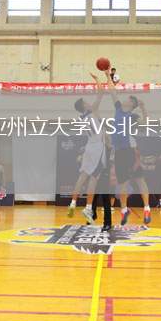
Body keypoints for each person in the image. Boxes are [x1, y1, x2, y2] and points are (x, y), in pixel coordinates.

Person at [105, 68, 151, 226]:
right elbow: (112, 91)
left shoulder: (133, 116)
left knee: (139, 179)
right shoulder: (118, 108)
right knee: (122, 183)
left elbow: (145, 122)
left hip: (129, 151)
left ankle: (147, 208)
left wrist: (143, 108)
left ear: (132, 104)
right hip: (118, 152)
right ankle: (124, 210)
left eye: (128, 99)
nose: (125, 100)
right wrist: (107, 75)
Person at [68, 73, 105, 219]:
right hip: (97, 147)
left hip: (89, 146)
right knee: (94, 178)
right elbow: (101, 92)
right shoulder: (92, 111)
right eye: (86, 101)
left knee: (82, 177)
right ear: (84, 105)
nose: (89, 102)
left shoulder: (80, 118)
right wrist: (97, 79)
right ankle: (88, 208)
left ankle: (72, 203)